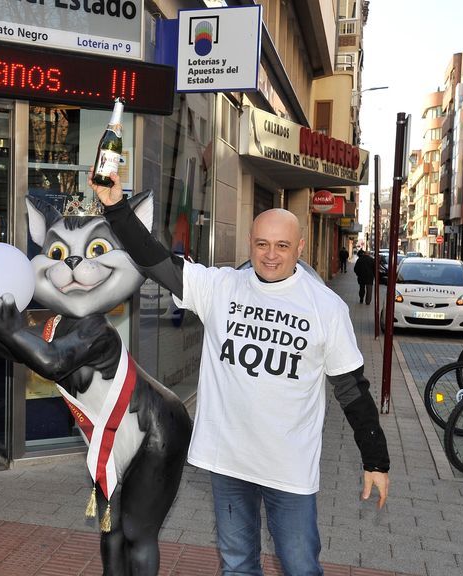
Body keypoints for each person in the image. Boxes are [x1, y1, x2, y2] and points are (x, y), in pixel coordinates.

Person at [92, 173, 390, 576]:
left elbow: (352, 390)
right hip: (229, 461)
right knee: (236, 565)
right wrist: (115, 207)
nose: (271, 255)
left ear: (299, 247)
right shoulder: (221, 288)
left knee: (301, 566)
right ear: (251, 243)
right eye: (262, 244)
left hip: (289, 469)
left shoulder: (326, 307)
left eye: (282, 246)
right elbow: (154, 260)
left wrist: (376, 459)